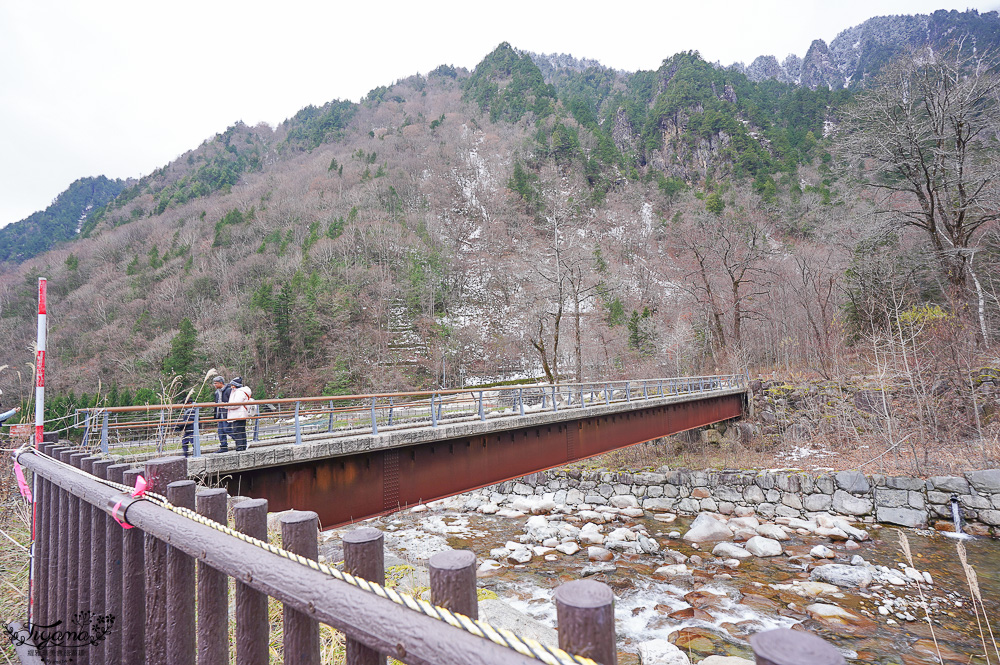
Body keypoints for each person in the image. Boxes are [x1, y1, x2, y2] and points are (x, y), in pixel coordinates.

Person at [226, 376, 253, 452]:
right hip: (240, 414)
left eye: (232, 385)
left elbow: (236, 404)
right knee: (241, 431)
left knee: (237, 431)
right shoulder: (240, 391)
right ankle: (242, 447)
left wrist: (225, 406)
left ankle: (240, 448)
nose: (231, 387)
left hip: (238, 414)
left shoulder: (239, 392)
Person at [212, 376, 233, 453]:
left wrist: (224, 405)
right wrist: (215, 416)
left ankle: (240, 442)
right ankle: (223, 446)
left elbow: (232, 402)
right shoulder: (217, 392)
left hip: (227, 414)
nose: (214, 385)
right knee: (220, 431)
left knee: (227, 429)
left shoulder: (228, 390)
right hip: (220, 414)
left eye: (216, 383)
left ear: (221, 383)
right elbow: (216, 404)